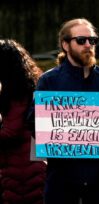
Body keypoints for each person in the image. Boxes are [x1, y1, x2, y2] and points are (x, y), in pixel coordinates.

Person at [35, 18, 99, 204]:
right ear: (65, 44)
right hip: (61, 180)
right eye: (81, 40)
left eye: (92, 40)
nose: (88, 45)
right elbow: (33, 123)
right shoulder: (49, 81)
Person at [0, 39, 46, 204]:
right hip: (29, 168)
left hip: (22, 172)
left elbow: (11, 131)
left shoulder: (16, 94)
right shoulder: (30, 87)